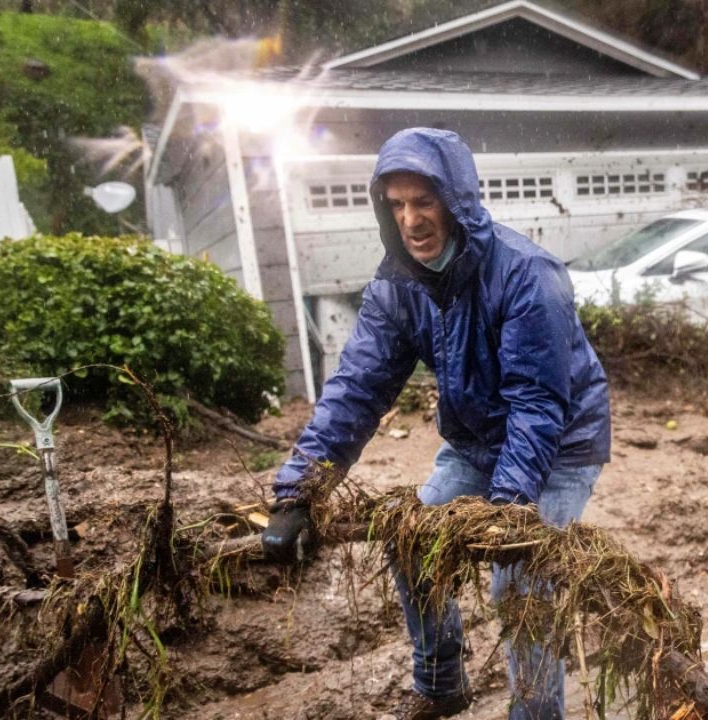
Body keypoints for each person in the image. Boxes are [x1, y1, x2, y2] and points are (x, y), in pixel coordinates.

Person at [261, 128, 612, 720]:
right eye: (396, 205)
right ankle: (442, 683)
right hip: (475, 442)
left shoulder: (528, 276)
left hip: (557, 448)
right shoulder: (398, 284)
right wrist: (300, 489)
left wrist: (507, 511)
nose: (411, 220)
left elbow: (535, 405)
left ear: (457, 202)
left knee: (519, 579)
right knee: (412, 538)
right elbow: (357, 388)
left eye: (424, 202)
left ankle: (536, 715)